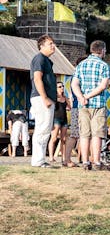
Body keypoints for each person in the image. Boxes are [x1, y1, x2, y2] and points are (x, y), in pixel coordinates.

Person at [72, 40, 110, 170]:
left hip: (83, 105)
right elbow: (103, 85)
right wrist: (87, 96)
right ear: (102, 50)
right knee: (97, 134)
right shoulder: (104, 66)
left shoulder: (81, 65)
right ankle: (97, 161)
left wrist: (81, 97)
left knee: (84, 134)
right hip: (98, 104)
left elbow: (74, 84)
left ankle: (85, 162)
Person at [29, 35, 58, 168]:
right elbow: (37, 78)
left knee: (45, 129)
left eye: (53, 43)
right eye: (50, 44)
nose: (53, 46)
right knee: (42, 129)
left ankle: (40, 159)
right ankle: (38, 161)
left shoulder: (47, 61)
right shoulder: (39, 58)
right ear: (42, 46)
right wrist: (45, 98)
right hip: (41, 98)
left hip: (46, 98)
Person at [48, 81, 72, 163]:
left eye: (62, 86)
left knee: (64, 139)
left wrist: (70, 98)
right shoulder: (54, 98)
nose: (62, 88)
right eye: (59, 87)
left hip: (64, 119)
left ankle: (63, 158)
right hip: (56, 119)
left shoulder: (65, 98)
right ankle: (51, 157)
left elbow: (69, 107)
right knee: (54, 138)